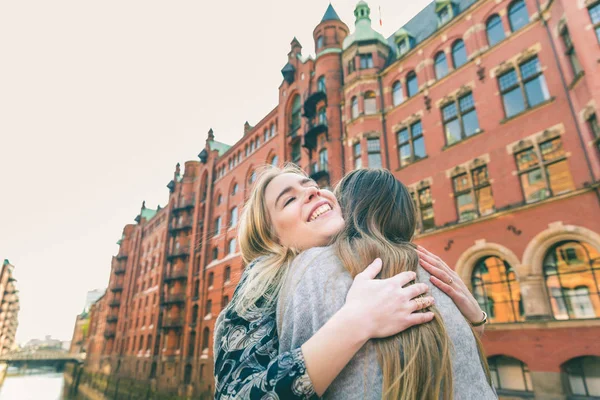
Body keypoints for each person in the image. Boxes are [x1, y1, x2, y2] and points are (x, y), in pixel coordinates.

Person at [213, 164, 478, 399]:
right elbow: (233, 394)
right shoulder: (263, 281)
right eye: (289, 199)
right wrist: (356, 323)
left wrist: (474, 317)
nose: (312, 192)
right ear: (272, 239)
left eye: (313, 186)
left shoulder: (365, 257)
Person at [277, 168, 496, 399]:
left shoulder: (312, 266)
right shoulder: (434, 267)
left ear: (345, 209)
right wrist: (477, 320)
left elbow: (291, 380)